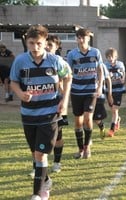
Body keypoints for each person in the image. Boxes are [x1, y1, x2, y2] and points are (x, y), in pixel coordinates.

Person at [9, 25, 72, 200]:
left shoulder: (55, 61)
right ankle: (46, 179)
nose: (35, 47)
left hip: (49, 114)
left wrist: (64, 100)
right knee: (35, 153)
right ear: (26, 42)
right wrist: (20, 93)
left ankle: (37, 194)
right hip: (28, 114)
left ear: (45, 43)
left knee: (40, 153)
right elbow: (14, 81)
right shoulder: (20, 61)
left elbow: (68, 77)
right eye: (31, 43)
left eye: (39, 43)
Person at [67, 28, 104, 159]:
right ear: (76, 39)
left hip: (91, 90)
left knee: (88, 118)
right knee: (78, 122)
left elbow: (100, 70)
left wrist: (100, 87)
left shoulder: (95, 52)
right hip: (76, 91)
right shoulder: (72, 54)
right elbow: (68, 72)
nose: (81, 40)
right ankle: (80, 148)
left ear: (89, 38)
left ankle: (87, 146)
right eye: (79, 37)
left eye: (84, 37)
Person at [46, 35, 71, 173]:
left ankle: (57, 162)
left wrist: (64, 99)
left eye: (50, 45)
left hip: (57, 104)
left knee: (58, 135)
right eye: (46, 44)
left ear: (57, 47)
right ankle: (37, 165)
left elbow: (68, 79)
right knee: (40, 135)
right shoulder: (36, 60)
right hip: (42, 104)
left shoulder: (60, 62)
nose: (47, 47)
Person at [104, 47, 126, 137]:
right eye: (108, 57)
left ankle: (112, 129)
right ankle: (117, 119)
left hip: (119, 90)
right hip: (109, 90)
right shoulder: (105, 65)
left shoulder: (120, 64)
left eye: (112, 56)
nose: (110, 59)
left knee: (114, 110)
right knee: (112, 110)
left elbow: (123, 74)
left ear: (116, 56)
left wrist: (123, 79)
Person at [93, 62, 113, 139]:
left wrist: (110, 94)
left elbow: (108, 79)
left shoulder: (102, 65)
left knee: (96, 119)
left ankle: (101, 126)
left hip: (99, 96)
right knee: (86, 118)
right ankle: (87, 141)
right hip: (87, 94)